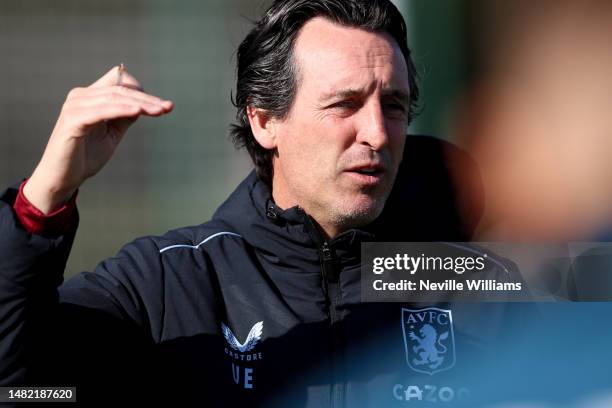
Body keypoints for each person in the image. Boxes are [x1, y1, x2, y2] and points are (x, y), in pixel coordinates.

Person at [0, 0, 518, 406]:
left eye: (394, 105)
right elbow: (18, 388)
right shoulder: (166, 286)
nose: (378, 133)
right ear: (265, 120)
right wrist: (41, 201)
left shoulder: (481, 286)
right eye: (344, 104)